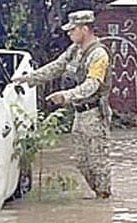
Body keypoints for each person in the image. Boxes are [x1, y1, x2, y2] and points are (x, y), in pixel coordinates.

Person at [12, 10, 113, 198]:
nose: (69, 33)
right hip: (79, 114)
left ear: (85, 29)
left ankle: (104, 201)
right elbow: (56, 67)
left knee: (98, 163)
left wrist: (66, 96)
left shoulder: (99, 54)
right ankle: (98, 197)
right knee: (81, 162)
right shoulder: (75, 50)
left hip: (94, 114)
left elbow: (92, 85)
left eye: (73, 29)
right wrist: (29, 78)